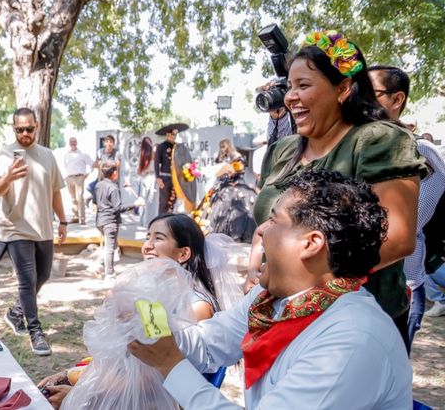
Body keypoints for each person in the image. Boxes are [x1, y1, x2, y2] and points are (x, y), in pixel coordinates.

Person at [129, 169, 412, 408]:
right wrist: (147, 318)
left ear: (311, 243)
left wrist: (171, 366)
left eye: (274, 220)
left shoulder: (351, 339)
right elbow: (208, 343)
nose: (260, 231)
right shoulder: (270, 300)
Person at [246, 30, 427, 350]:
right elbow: (267, 221)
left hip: (356, 327)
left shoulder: (378, 140)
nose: (290, 97)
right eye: (290, 87)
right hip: (284, 316)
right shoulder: (282, 150)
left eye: (303, 85)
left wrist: (294, 279)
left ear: (343, 88)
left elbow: (397, 237)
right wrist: (255, 269)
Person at [38, 213, 240, 407]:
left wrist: (82, 397)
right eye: (147, 237)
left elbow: (152, 375)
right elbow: (121, 357)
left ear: (183, 254)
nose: (147, 246)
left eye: (158, 238)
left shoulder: (197, 307)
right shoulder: (152, 294)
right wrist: (69, 375)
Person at [368, 64, 445, 351]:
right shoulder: (360, 147)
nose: (360, 101)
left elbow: (406, 229)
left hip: (402, 286)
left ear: (397, 99)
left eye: (371, 93)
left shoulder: (419, 151)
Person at [0, 107, 67, 356]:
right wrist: (8, 177)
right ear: (14, 128)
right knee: (27, 280)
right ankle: (35, 331)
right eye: (19, 129)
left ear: (37, 125)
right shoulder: (5, 154)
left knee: (43, 275)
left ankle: (15, 312)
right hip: (15, 228)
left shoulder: (48, 155)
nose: (25, 133)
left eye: (29, 128)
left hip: (43, 228)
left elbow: (55, 192)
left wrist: (63, 221)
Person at [94, 161, 140, 285]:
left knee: (112, 245)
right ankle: (109, 274)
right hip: (110, 221)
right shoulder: (113, 188)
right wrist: (135, 204)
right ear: (114, 173)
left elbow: (95, 201)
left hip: (100, 221)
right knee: (110, 248)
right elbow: (118, 208)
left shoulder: (98, 185)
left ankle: (99, 264)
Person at [62, 137, 93, 224]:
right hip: (69, 178)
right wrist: (65, 177)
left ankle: (82, 218)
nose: (73, 143)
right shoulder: (66, 155)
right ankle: (75, 217)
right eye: (71, 142)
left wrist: (87, 174)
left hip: (79, 177)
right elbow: (65, 166)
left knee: (80, 198)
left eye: (74, 141)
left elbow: (92, 164)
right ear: (69, 143)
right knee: (73, 199)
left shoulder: (82, 154)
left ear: (77, 143)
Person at [137, 136, 158, 225]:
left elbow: (138, 171)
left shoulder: (141, 155)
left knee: (143, 200)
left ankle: (142, 221)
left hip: (144, 178)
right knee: (151, 202)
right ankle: (150, 221)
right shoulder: (154, 154)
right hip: (153, 178)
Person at [154, 129, 177, 214]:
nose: (172, 136)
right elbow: (156, 162)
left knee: (172, 203)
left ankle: (169, 221)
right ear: (167, 134)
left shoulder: (177, 147)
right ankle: (161, 221)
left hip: (175, 179)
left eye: (174, 134)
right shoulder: (161, 146)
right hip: (164, 178)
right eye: (171, 134)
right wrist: (158, 178)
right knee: (163, 203)